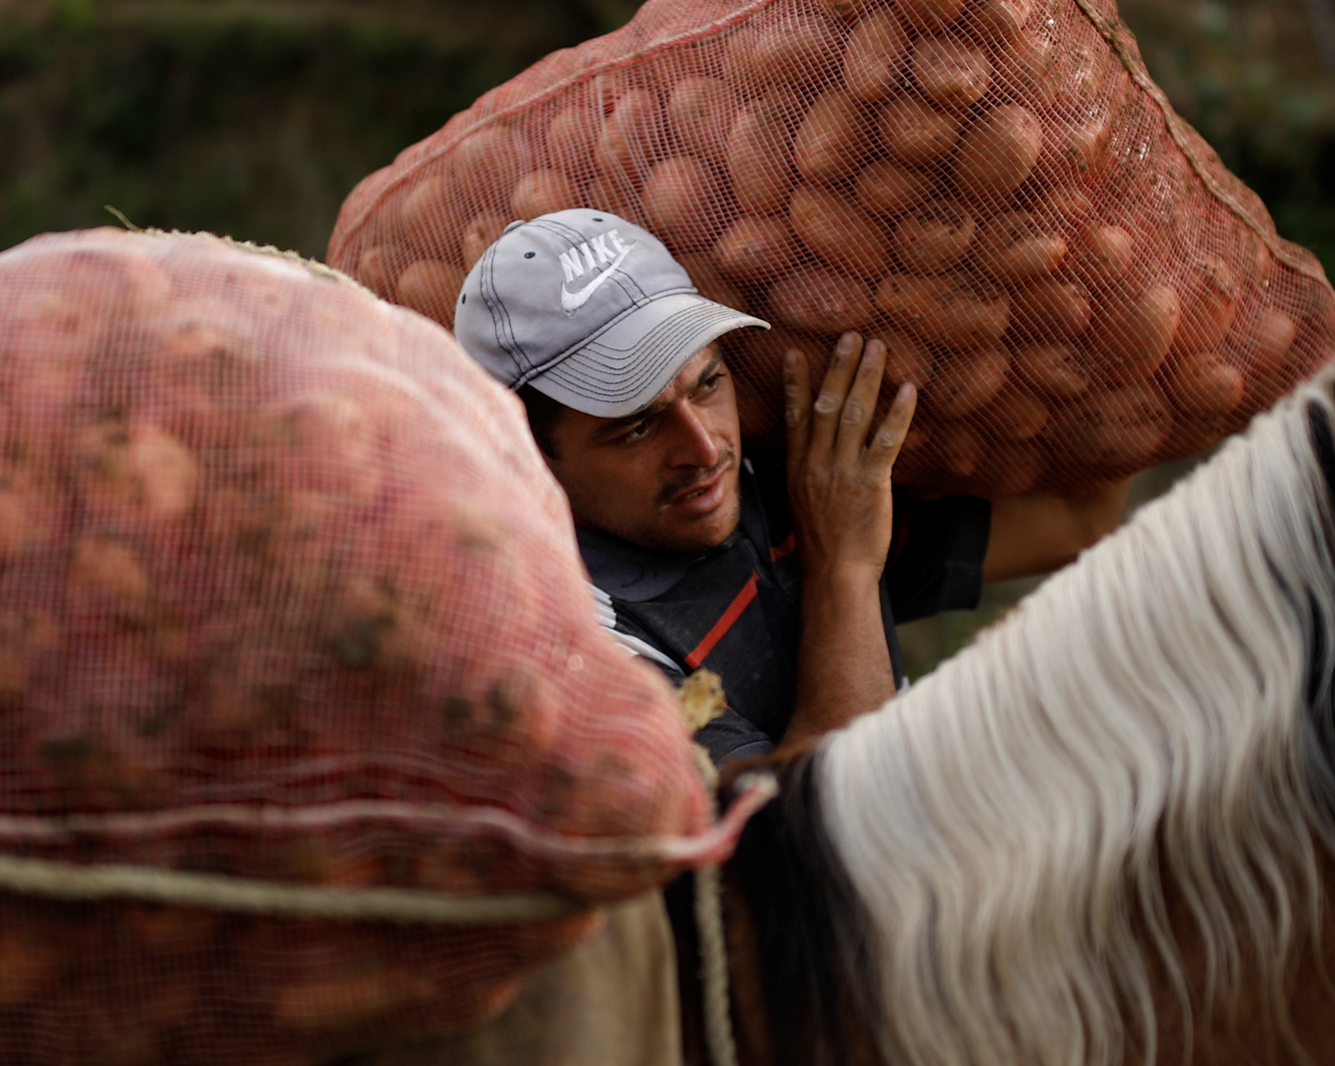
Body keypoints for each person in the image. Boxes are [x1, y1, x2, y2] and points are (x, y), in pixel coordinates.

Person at [455, 208, 1134, 767]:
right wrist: (845, 570)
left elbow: (1077, 520)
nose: (704, 448)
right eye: (635, 428)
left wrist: (1084, 290)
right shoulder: (587, 653)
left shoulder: (779, 489)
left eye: (708, 383)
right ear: (529, 454)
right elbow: (826, 841)